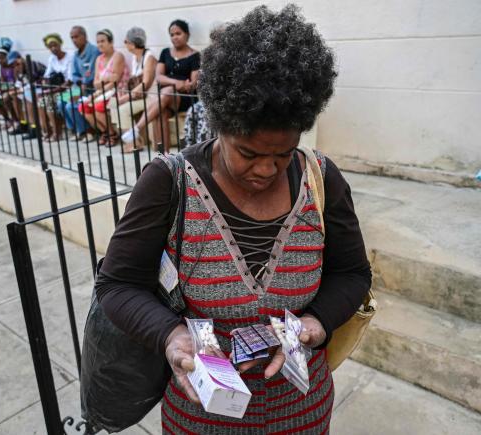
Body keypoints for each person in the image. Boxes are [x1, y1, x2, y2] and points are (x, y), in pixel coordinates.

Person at [95, 5, 371, 434]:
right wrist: (171, 336)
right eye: (249, 152)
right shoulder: (170, 183)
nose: (266, 170)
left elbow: (353, 274)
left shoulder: (320, 180)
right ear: (220, 124)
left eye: (282, 154)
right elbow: (117, 285)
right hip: (202, 416)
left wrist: (315, 321)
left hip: (302, 410)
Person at [121, 19, 200, 152]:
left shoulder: (195, 56)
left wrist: (183, 85)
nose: (174, 37)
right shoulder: (165, 53)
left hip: (184, 98)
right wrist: (177, 82)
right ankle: (165, 155)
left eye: (178, 33)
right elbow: (159, 77)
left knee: (167, 91)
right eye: (172, 34)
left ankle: (137, 129)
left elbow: (192, 84)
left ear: (187, 35)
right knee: (161, 110)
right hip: (166, 97)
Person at [106, 26, 157, 152]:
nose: (125, 44)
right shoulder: (135, 58)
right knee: (112, 106)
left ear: (133, 44)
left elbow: (145, 84)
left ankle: (134, 143)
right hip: (139, 97)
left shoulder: (149, 57)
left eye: (126, 42)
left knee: (122, 109)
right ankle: (133, 140)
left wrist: (124, 98)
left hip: (152, 97)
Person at [79, 29, 129, 145]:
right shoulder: (99, 59)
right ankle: (105, 132)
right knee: (83, 107)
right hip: (102, 92)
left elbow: (115, 81)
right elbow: (96, 82)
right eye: (98, 42)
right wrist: (107, 78)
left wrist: (102, 82)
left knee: (98, 106)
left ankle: (112, 134)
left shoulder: (118, 56)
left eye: (103, 41)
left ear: (111, 42)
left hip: (118, 92)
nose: (100, 44)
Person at [58, 26, 99, 140]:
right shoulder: (76, 54)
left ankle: (87, 131)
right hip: (79, 88)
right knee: (60, 101)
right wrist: (79, 82)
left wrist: (83, 83)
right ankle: (76, 129)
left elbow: (91, 73)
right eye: (72, 38)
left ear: (84, 36)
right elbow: (75, 74)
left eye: (76, 36)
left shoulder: (93, 51)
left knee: (71, 105)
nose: (74, 40)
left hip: (91, 89)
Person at [38, 33, 72, 140]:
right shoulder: (52, 59)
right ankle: (47, 130)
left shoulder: (69, 58)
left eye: (55, 45)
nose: (53, 48)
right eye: (50, 46)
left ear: (60, 44)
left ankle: (57, 132)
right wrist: (44, 85)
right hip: (56, 90)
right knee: (41, 101)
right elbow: (46, 75)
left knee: (48, 100)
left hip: (72, 90)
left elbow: (69, 82)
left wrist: (50, 91)